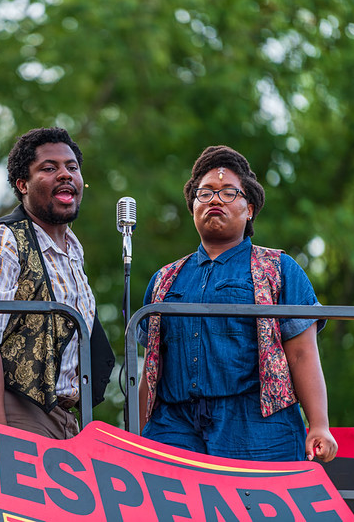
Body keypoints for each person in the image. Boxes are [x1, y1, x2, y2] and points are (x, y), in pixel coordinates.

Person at [137, 145, 337, 463]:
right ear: (192, 208)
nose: (215, 199)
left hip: (257, 427)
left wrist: (319, 425)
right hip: (174, 428)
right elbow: (151, 369)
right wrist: (137, 434)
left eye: (229, 192)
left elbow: (301, 353)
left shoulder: (279, 269)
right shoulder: (164, 279)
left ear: (250, 209)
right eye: (205, 193)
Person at [0, 127, 115, 439]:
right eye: (49, 168)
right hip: (3, 408)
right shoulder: (0, 239)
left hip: (58, 415)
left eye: (72, 167)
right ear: (23, 184)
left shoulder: (71, 249)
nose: (65, 174)